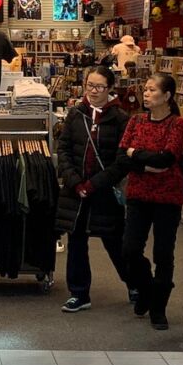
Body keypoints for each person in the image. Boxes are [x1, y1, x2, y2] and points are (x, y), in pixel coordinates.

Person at [53, 67, 134, 313]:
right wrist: (75, 181)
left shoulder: (121, 119)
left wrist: (94, 183)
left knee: (115, 240)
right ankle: (79, 293)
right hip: (75, 191)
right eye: (90, 85)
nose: (93, 91)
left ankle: (134, 283)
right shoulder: (76, 114)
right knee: (77, 241)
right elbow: (64, 148)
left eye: (99, 87)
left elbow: (121, 162)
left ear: (110, 88)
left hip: (104, 191)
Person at [114, 72, 183, 330]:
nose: (146, 94)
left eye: (152, 90)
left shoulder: (177, 124)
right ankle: (146, 290)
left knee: (163, 254)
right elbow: (122, 157)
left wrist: (138, 155)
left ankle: (159, 307)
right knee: (130, 250)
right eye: (145, 89)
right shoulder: (135, 122)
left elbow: (166, 159)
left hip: (167, 197)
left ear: (167, 96)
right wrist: (146, 164)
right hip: (138, 194)